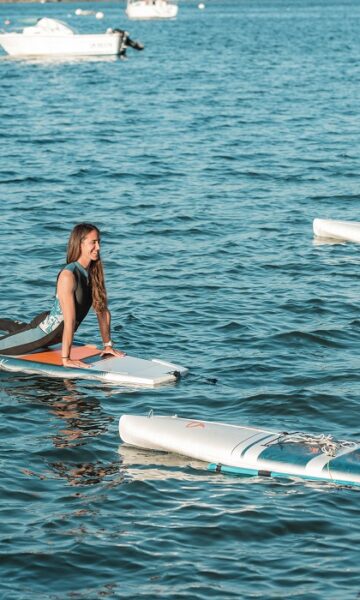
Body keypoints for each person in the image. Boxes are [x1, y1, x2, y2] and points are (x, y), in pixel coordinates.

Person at [0, 223, 125, 368]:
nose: (98, 247)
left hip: (54, 335)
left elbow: (102, 310)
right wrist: (66, 358)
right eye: (93, 242)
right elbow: (69, 320)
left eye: (99, 242)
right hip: (42, 334)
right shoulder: (68, 275)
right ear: (80, 244)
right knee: (22, 334)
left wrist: (107, 345)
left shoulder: (93, 273)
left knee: (16, 327)